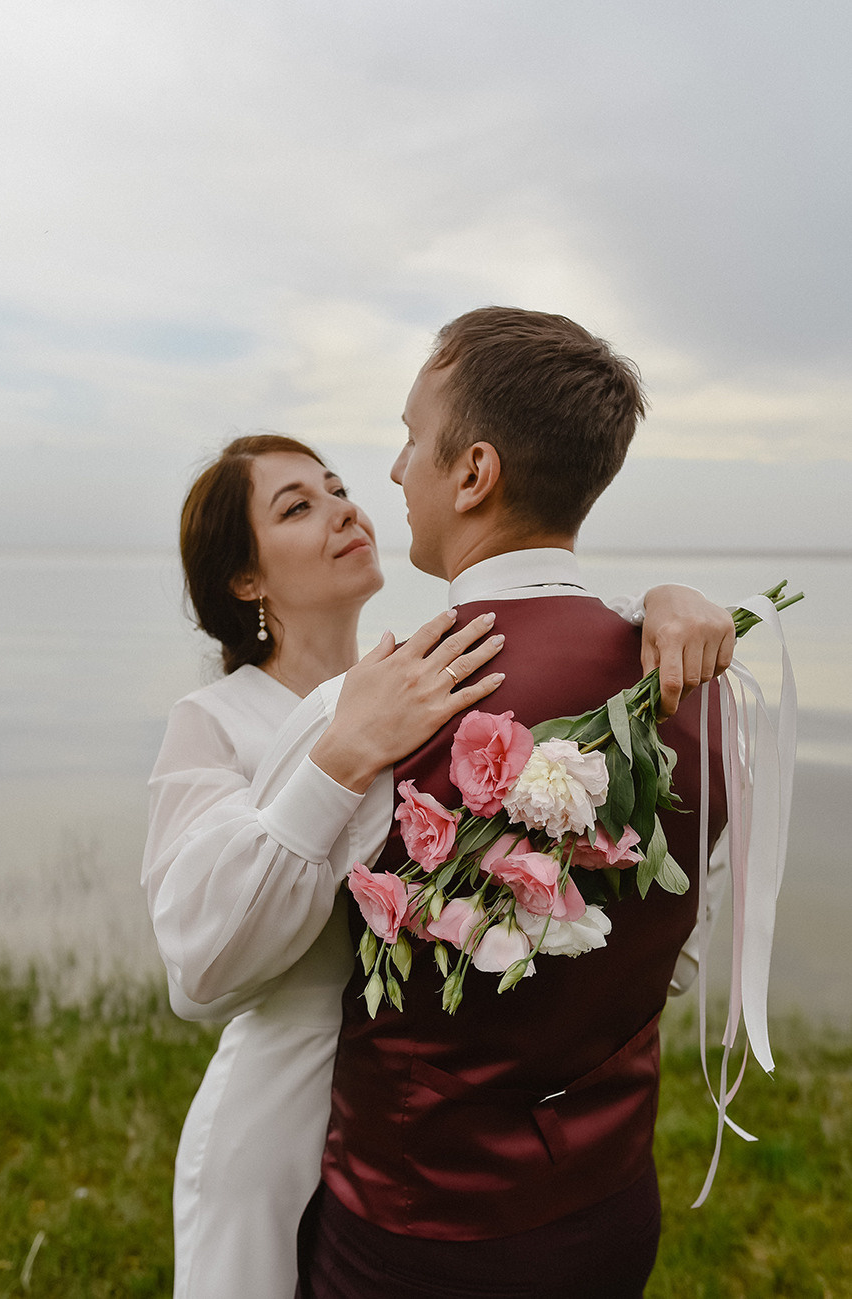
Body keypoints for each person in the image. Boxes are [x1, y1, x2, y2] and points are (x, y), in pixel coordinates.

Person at [143, 420, 733, 1296]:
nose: (345, 509)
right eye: (298, 506)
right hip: (280, 1130)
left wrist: (656, 609)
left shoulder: (424, 671)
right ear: (246, 578)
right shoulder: (219, 720)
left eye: (338, 487)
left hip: (419, 1144)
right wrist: (337, 760)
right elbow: (195, 974)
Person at [282, 308, 732, 1298]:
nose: (396, 472)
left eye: (411, 439)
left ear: (474, 473)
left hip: (412, 1237)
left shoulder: (382, 706)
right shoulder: (702, 689)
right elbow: (679, 948)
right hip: (609, 1210)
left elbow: (277, 965)